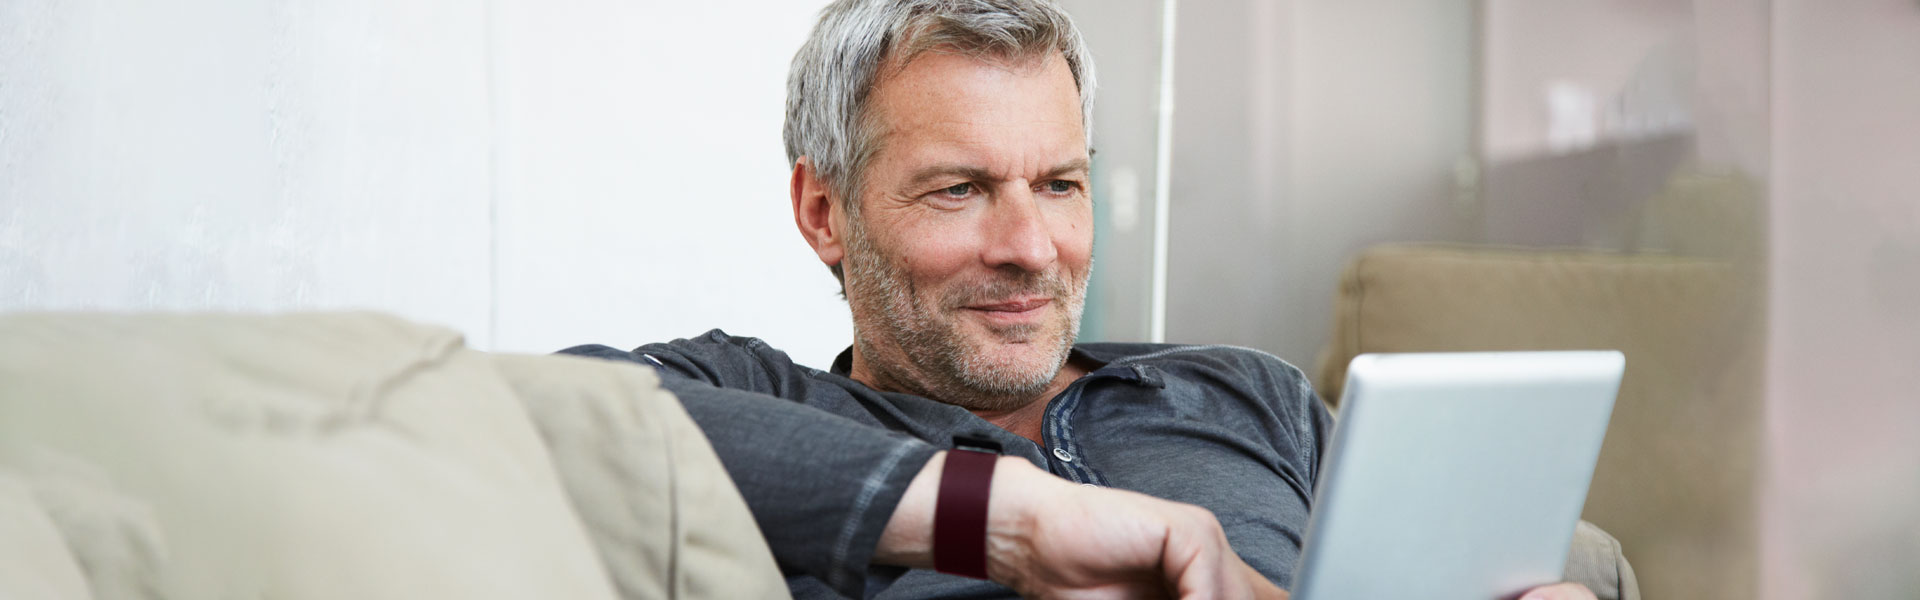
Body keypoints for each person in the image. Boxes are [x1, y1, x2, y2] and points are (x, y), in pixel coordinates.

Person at [565, 1, 1598, 598]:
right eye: (960, 190)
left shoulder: (1238, 391)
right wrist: (1006, 520)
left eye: (1060, 185)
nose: (1032, 249)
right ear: (824, 210)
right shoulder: (766, 402)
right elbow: (547, 415)